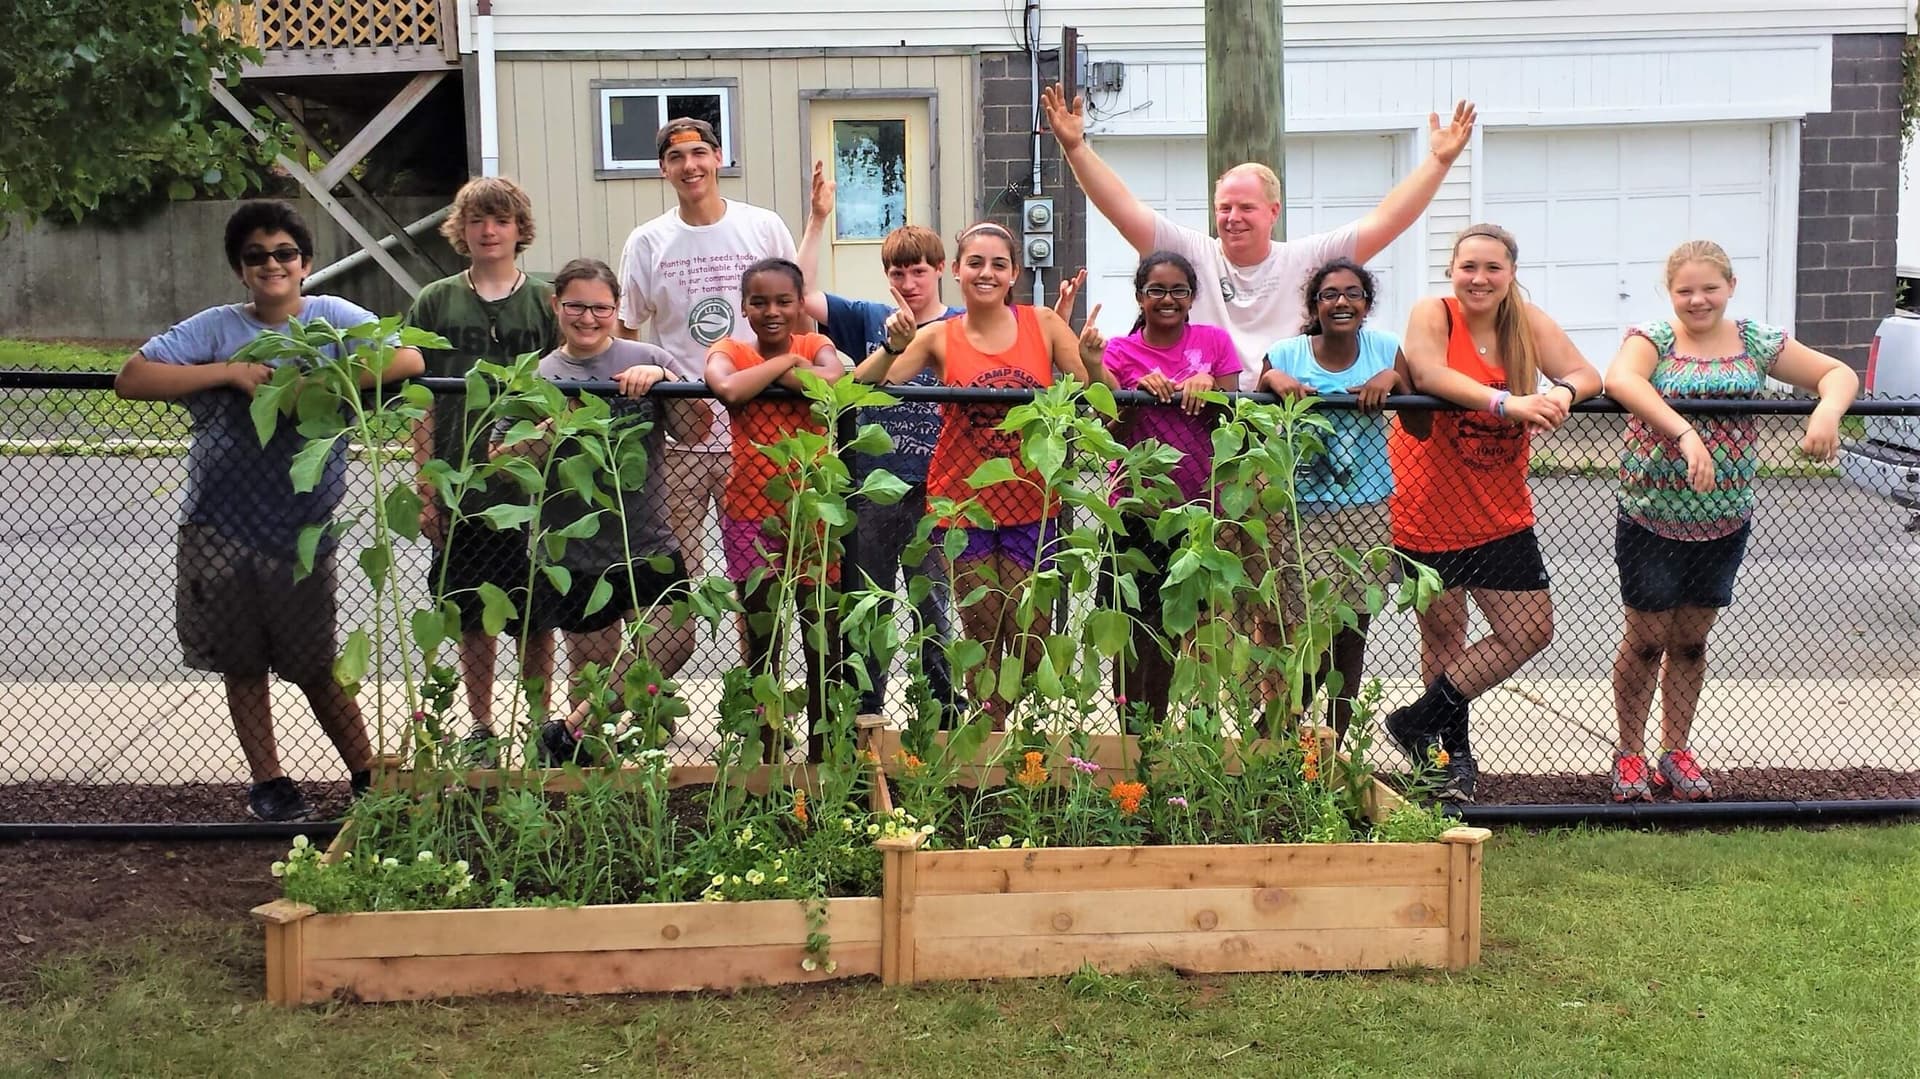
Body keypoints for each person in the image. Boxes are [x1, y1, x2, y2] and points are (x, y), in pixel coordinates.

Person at [112, 200, 424, 821]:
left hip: (303, 525)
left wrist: (315, 383)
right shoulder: (216, 328)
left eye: (284, 253)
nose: (271, 264)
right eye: (255, 256)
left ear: (306, 262)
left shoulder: (333, 318)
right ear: (240, 269)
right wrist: (227, 373)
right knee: (241, 660)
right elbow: (132, 377)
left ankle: (366, 776)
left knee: (315, 662)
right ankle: (270, 782)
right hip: (218, 523)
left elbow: (407, 359)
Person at [1602, 240, 1857, 802]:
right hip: (1652, 514)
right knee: (1646, 641)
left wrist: (1826, 410)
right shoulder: (1654, 339)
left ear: (1731, 287)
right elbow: (1622, 380)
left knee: (1691, 642)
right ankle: (1629, 755)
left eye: (1709, 288)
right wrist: (1686, 433)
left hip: (1724, 517)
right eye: (1684, 290)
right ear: (1670, 294)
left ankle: (1676, 753)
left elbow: (1837, 373)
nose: (1698, 300)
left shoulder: (1755, 341)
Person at [1384, 223, 1602, 803]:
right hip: (1426, 506)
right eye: (1468, 267)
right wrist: (1507, 401)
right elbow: (1429, 373)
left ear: (1511, 274)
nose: (1479, 279)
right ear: (1453, 270)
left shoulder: (1526, 322)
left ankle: (1415, 720)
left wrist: (1562, 394)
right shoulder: (1436, 313)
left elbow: (1587, 374)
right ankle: (1450, 759)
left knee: (1529, 630)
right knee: (1444, 634)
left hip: (1501, 511)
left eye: (1493, 268)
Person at [1040, 82, 1476, 369]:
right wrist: (1076, 147)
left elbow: (1387, 221)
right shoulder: (1191, 253)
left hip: (1280, 417)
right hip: (1207, 410)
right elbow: (1122, 207)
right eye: (1224, 207)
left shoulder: (1307, 259)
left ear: (1273, 211)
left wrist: (1438, 161)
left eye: (1246, 207)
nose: (1233, 218)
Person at [855, 222, 1103, 723]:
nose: (986, 273)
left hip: (1032, 501)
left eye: (998, 264)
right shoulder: (939, 336)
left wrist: (1094, 362)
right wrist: (893, 346)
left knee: (1028, 640)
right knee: (984, 632)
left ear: (1013, 273)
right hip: (962, 503)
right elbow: (860, 388)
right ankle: (989, 739)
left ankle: (995, 727)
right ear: (958, 271)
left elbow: (1104, 403)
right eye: (976, 263)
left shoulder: (1044, 326)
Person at [482, 259, 711, 765]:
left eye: (601, 307)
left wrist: (665, 378)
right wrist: (545, 435)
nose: (588, 318)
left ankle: (568, 731)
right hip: (574, 549)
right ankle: (590, 777)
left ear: (616, 309)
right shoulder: (539, 375)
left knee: (674, 642)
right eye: (576, 306)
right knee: (589, 666)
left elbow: (695, 431)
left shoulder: (646, 356)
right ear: (555, 306)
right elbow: (500, 465)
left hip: (645, 538)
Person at [394, 176, 559, 764]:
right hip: (461, 478)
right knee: (470, 612)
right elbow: (419, 395)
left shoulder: (545, 300)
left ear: (519, 230)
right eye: (476, 221)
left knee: (535, 612)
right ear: (460, 231)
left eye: (500, 220)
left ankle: (539, 724)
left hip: (531, 484)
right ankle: (482, 726)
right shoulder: (436, 300)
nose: (488, 231)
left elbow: (566, 379)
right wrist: (426, 475)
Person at [794, 163, 965, 723]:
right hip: (873, 484)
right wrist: (819, 220)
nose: (910, 281)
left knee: (931, 602)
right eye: (899, 270)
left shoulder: (961, 325)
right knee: (869, 601)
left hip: (937, 485)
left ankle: (939, 707)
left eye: (919, 270)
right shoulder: (868, 317)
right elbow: (800, 295)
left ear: (940, 270)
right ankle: (866, 707)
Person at [617, 117, 799, 593]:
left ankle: (756, 669)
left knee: (760, 580)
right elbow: (625, 328)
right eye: (675, 157)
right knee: (672, 581)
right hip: (681, 439)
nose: (689, 165)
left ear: (718, 158)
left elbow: (797, 312)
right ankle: (659, 668)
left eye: (699, 153)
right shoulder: (647, 242)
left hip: (760, 433)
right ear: (663, 170)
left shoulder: (762, 226)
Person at [1260, 257, 1413, 742]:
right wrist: (1270, 381)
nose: (1341, 301)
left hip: (1365, 509)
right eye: (1330, 294)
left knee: (1352, 625)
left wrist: (1392, 382)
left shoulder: (1385, 350)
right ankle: (1279, 732)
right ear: (1315, 304)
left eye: (1352, 293)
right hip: (1301, 510)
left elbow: (1421, 424)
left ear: (1367, 304)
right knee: (1306, 629)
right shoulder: (1286, 354)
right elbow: (1255, 413)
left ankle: (1338, 741)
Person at [1092, 251, 1241, 729]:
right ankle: (1135, 732)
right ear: (1140, 297)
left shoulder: (1214, 343)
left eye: (1178, 290)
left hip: (1196, 510)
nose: (1167, 299)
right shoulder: (1119, 351)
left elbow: (1234, 419)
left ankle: (1195, 731)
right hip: (1136, 510)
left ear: (1193, 297)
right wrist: (1133, 388)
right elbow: (1110, 426)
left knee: (1192, 624)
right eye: (1156, 290)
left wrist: (1209, 384)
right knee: (1133, 623)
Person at [705, 258, 845, 761]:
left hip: (813, 515)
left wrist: (785, 368)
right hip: (750, 513)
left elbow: (831, 385)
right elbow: (728, 387)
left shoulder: (813, 343)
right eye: (759, 301)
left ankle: (823, 745)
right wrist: (787, 367)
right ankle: (764, 743)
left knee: (819, 629)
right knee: (763, 630)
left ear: (799, 303)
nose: (771, 311)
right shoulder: (730, 349)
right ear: (743, 306)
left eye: (784, 301)